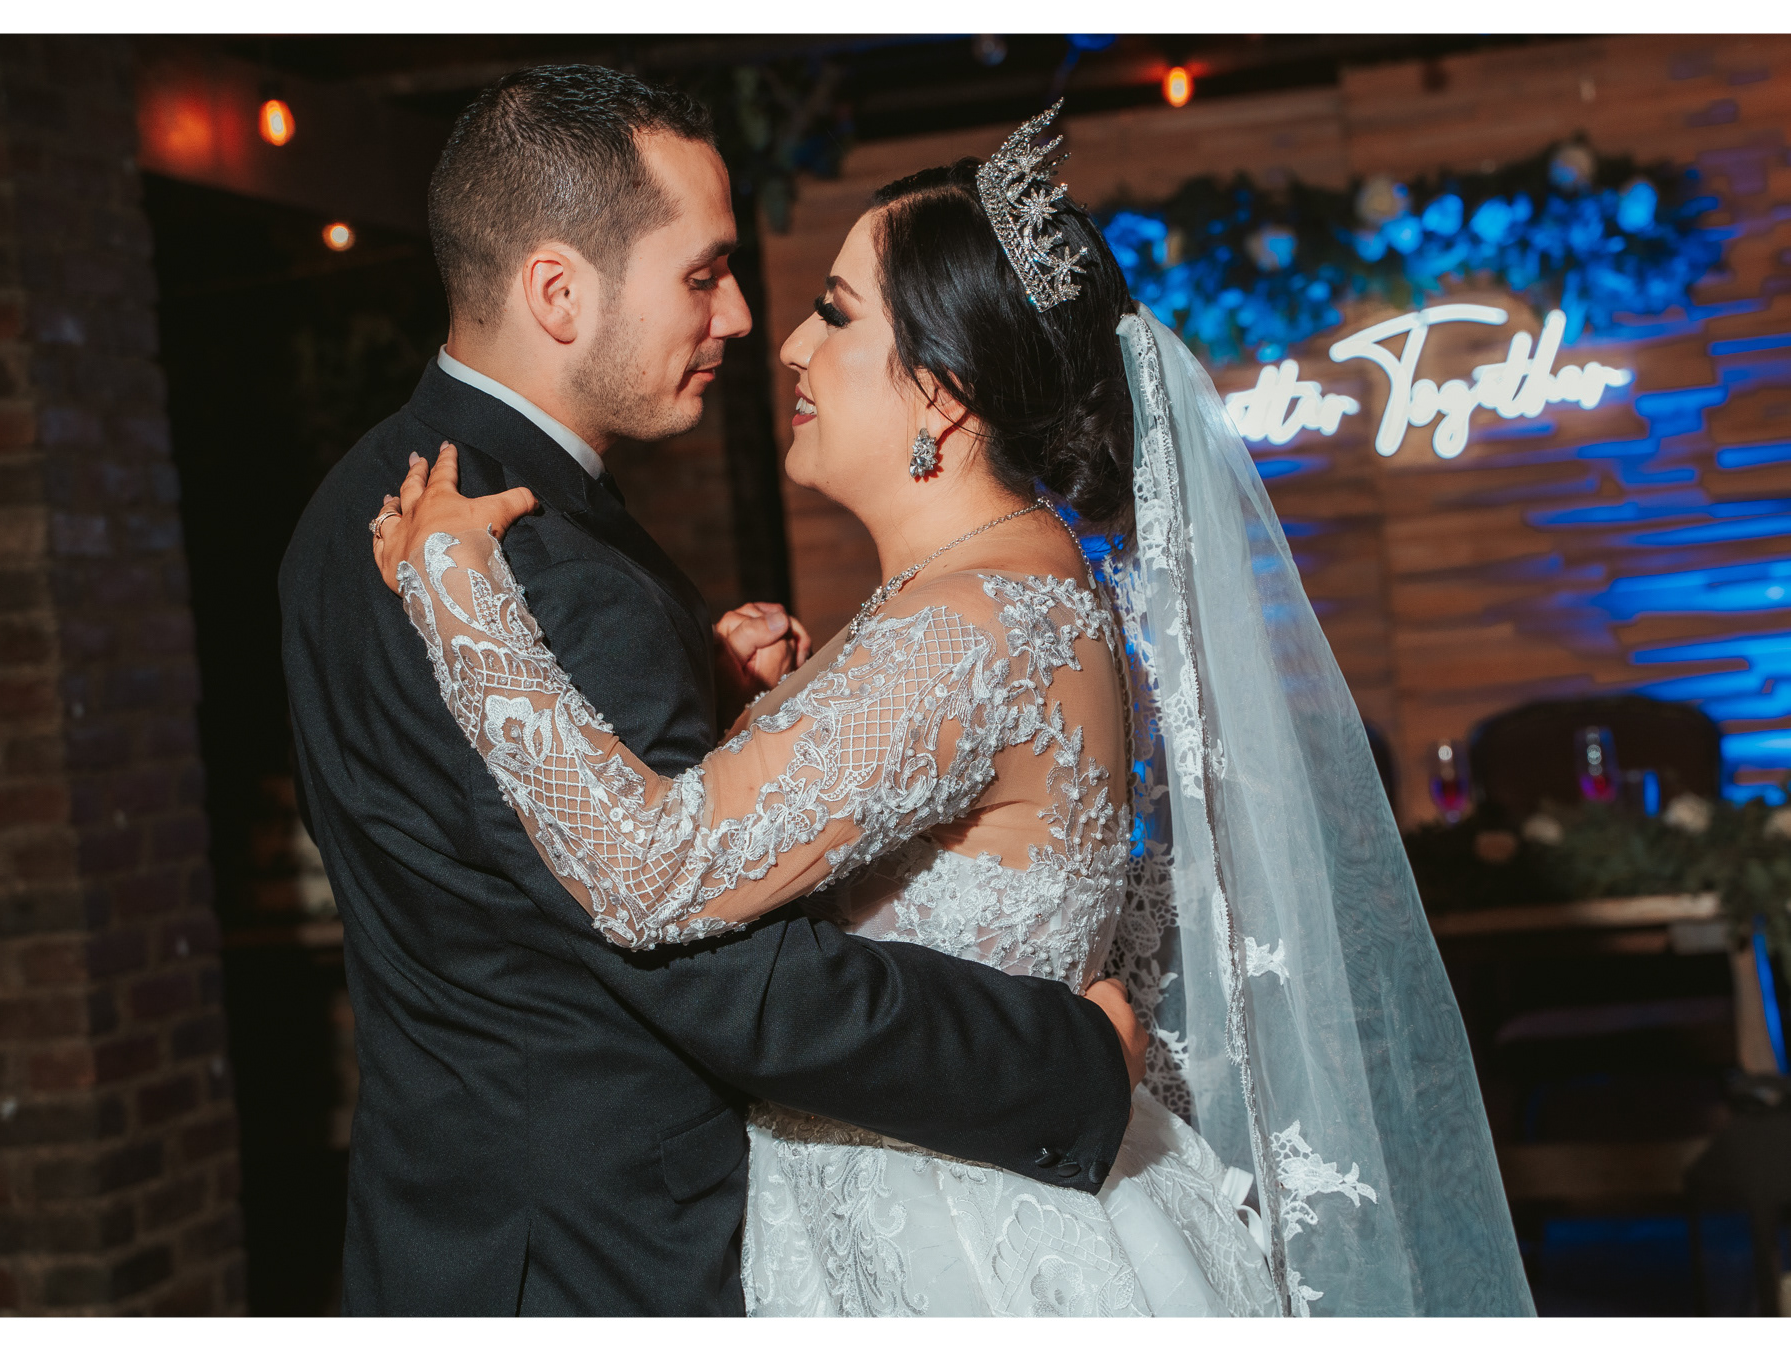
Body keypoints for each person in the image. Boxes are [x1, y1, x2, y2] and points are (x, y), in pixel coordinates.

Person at [366, 103, 1537, 1316]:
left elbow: (651, 875)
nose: (788, 346)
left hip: (964, 1247)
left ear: (942, 392)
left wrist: (457, 591)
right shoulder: (983, 589)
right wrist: (737, 712)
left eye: (835, 313)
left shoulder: (973, 624)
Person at [280, 66, 1147, 1317]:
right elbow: (720, 971)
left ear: (943, 391)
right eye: (703, 274)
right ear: (557, 293)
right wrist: (1065, 1062)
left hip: (468, 1224)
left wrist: (721, 702)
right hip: (597, 1261)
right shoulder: (509, 552)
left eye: (828, 312)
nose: (752, 322)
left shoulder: (376, 496)